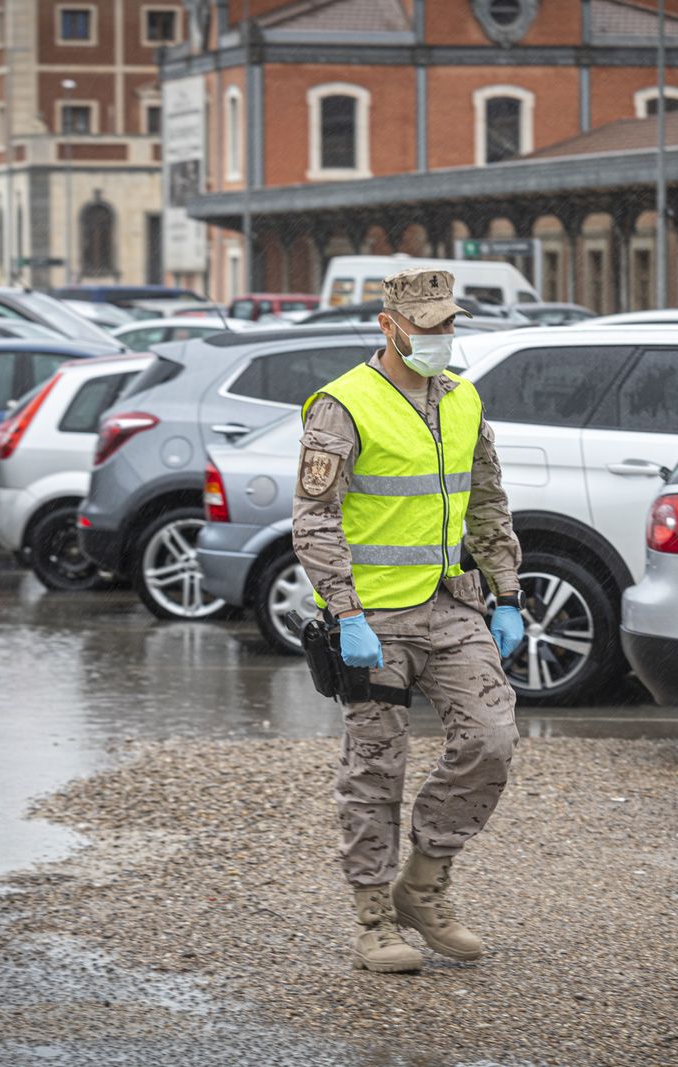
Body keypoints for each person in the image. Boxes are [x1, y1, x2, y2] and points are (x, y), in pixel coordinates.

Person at [292, 267, 525, 975]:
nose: (441, 336)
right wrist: (345, 612)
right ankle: (373, 919)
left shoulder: (463, 399)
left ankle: (422, 886)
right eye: (428, 326)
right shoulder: (342, 405)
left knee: (491, 740)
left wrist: (508, 594)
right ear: (389, 327)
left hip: (451, 605)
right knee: (375, 767)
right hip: (372, 619)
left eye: (448, 323)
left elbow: (487, 503)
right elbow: (314, 520)